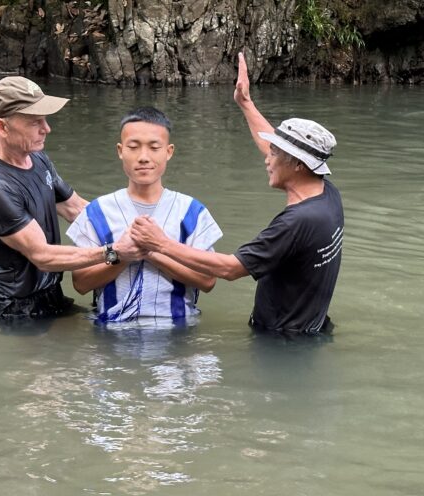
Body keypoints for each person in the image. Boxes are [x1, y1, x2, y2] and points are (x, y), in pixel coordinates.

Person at [131, 52, 344, 334]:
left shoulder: (296, 223)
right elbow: (274, 147)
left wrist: (159, 244)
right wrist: (245, 103)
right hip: (312, 327)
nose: (268, 158)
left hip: (281, 342)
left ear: (298, 165)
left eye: (276, 153)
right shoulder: (326, 193)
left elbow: (230, 269)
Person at [0, 76, 142, 323]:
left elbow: (76, 209)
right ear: (2, 127)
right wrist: (115, 252)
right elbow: (43, 256)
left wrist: (137, 227)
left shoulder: (37, 159)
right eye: (34, 122)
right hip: (18, 309)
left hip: (50, 294)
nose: (46, 128)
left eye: (45, 119)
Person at [66, 106, 222, 323]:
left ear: (169, 151)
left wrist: (153, 252)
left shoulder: (191, 212)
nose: (143, 157)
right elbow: (81, 283)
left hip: (178, 331)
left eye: (154, 147)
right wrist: (122, 256)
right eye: (133, 147)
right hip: (112, 330)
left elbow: (207, 280)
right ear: (120, 150)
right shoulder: (97, 212)